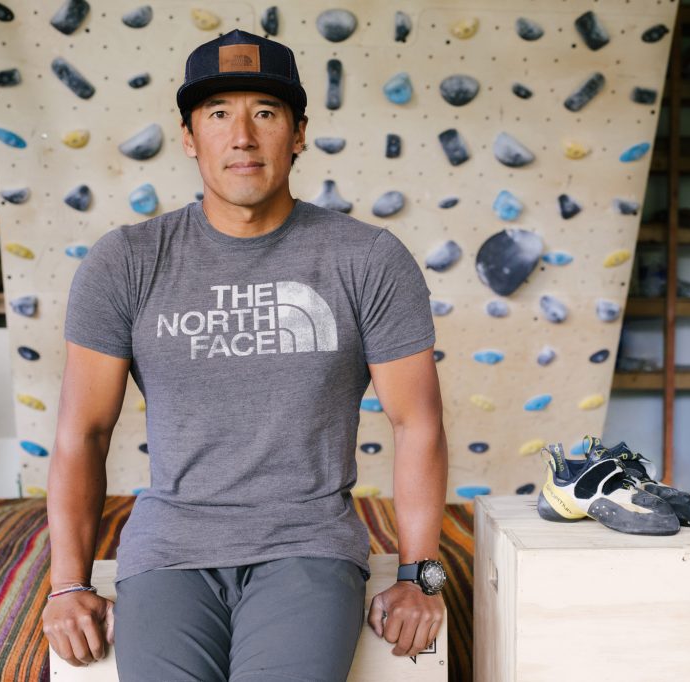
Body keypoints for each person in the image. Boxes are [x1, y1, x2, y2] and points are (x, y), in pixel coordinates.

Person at [41, 28, 449, 681]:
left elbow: (417, 421)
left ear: (299, 133)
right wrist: (68, 585)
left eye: (265, 113)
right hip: (168, 550)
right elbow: (81, 432)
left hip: (308, 544)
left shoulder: (368, 259)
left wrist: (418, 575)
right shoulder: (125, 262)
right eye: (217, 114)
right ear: (188, 136)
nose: (242, 137)